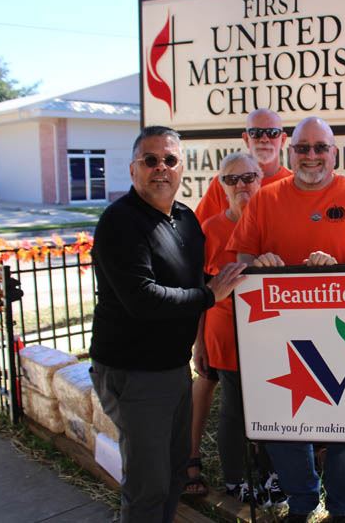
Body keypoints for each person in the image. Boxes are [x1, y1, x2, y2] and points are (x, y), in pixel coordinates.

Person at [228, 116, 345, 522]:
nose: (311, 156)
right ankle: (301, 501)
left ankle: (342, 508)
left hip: (343, 335)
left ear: (334, 152)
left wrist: (338, 271)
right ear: (290, 151)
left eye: (320, 148)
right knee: (285, 422)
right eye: (303, 148)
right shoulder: (265, 198)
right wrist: (259, 264)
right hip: (279, 337)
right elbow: (242, 259)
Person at [89, 125, 246, 523]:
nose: (161, 168)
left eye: (170, 159)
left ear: (181, 168)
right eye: (151, 160)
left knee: (175, 471)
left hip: (173, 370)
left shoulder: (185, 220)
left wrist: (198, 344)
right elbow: (142, 299)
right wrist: (211, 296)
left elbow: (189, 287)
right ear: (133, 169)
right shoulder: (121, 222)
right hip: (134, 371)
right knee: (148, 486)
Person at [186, 108, 291, 503]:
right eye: (232, 180)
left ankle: (270, 473)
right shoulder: (211, 227)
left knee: (274, 400)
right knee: (235, 407)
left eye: (249, 178)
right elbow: (199, 286)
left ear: (261, 179)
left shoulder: (277, 217)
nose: (242, 185)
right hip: (226, 332)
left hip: (272, 330)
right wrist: (199, 343)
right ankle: (236, 477)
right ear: (222, 185)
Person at [193, 108, 291, 223]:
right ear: (246, 139)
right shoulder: (226, 182)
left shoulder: (294, 185)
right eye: (256, 133)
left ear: (283, 140)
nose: (264, 139)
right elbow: (197, 232)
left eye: (272, 133)